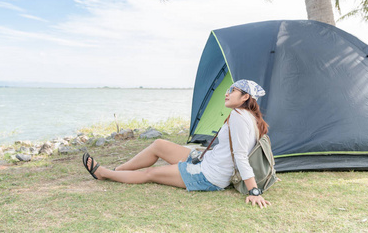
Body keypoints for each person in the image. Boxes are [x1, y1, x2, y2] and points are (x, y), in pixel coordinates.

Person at [83, 79, 271, 208]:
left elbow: (241, 156)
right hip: (206, 160)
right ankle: (119, 171)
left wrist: (254, 190)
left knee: (150, 174)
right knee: (158, 144)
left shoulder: (239, 116)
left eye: (232, 91)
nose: (226, 93)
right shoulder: (250, 117)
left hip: (209, 175)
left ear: (245, 97)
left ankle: (104, 174)